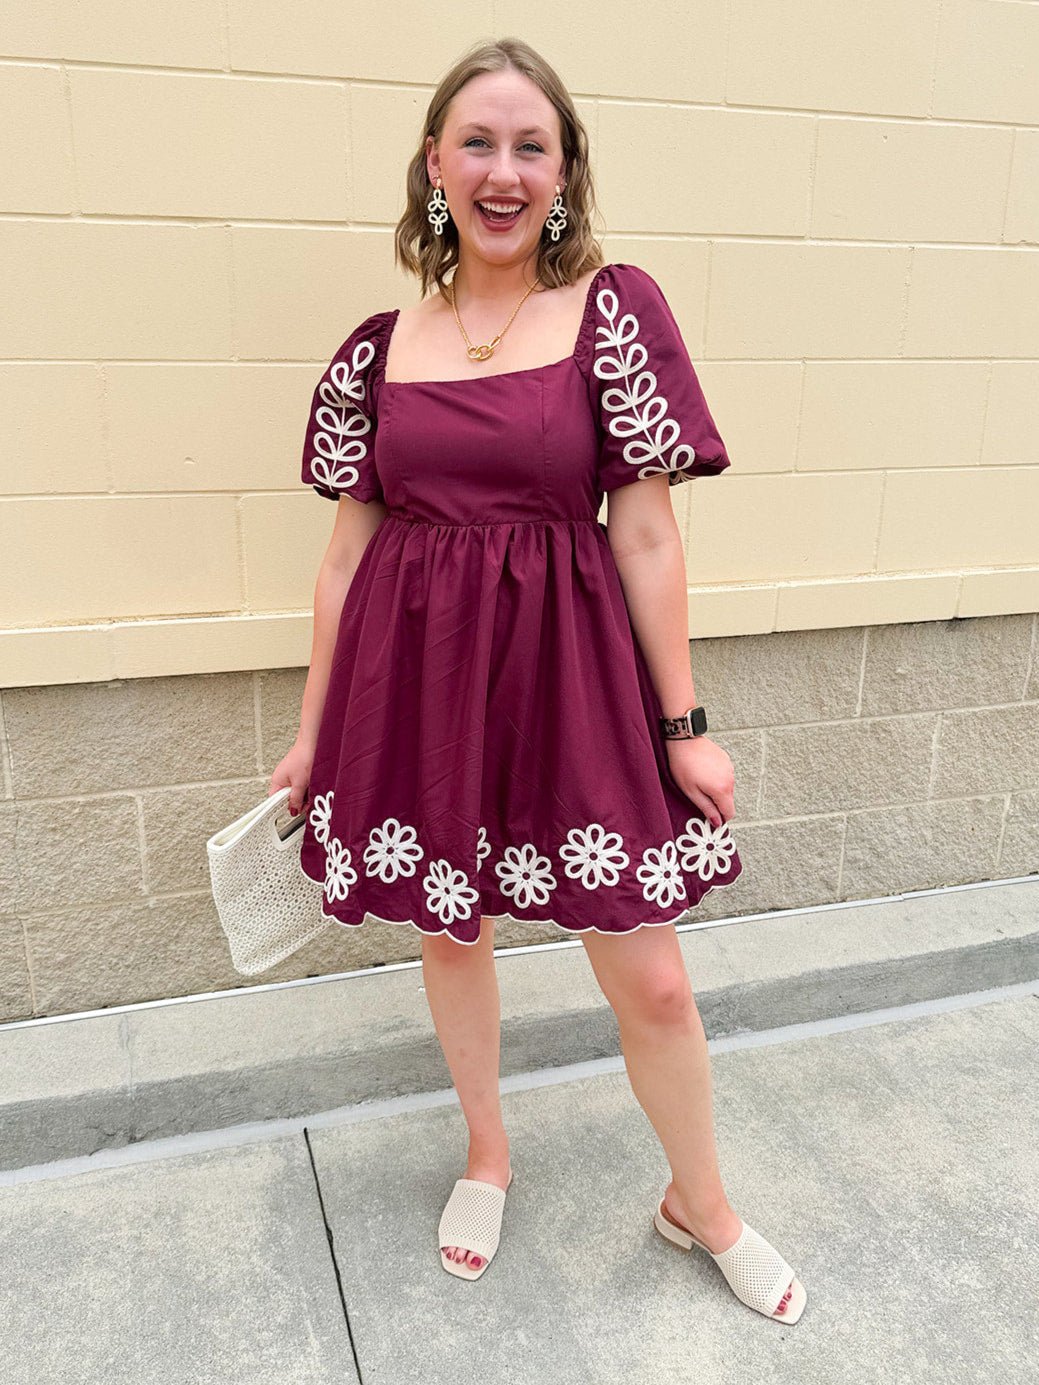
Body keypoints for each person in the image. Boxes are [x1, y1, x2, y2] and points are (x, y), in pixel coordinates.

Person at [270, 37, 806, 1323]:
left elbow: (646, 533)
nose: (501, 171)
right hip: (420, 685)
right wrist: (311, 733)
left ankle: (701, 1202)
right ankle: (486, 1152)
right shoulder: (377, 350)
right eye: (477, 142)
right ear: (434, 165)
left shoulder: (615, 314)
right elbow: (344, 560)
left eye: (531, 146)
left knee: (651, 973)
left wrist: (683, 724)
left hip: (572, 682)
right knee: (453, 929)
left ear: (564, 174)